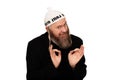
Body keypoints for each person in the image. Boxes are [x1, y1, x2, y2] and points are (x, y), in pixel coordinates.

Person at [26, 9, 87, 80]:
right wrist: (53, 66)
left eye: (65, 24)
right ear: (47, 29)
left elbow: (82, 73)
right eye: (59, 27)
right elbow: (31, 77)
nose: (64, 30)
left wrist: (73, 66)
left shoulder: (76, 41)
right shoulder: (34, 45)